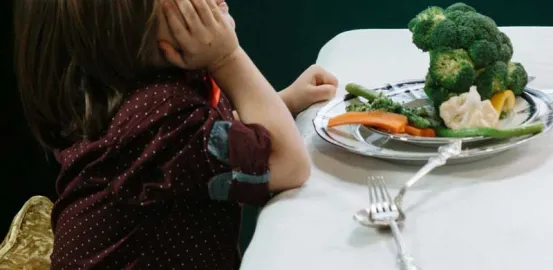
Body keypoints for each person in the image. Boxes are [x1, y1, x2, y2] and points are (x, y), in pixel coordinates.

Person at [14, 0, 338, 269]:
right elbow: (288, 164)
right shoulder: (159, 113)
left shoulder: (135, 97)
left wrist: (286, 101)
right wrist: (229, 58)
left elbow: (210, 140)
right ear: (127, 26)